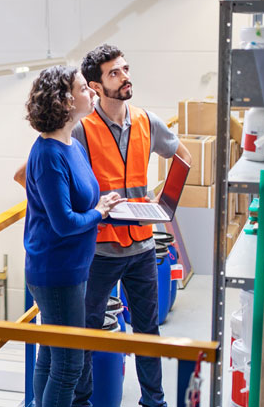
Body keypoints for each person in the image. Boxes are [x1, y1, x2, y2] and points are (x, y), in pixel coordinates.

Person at [14, 45, 191, 407]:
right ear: (95, 85)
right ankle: (83, 403)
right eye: (114, 73)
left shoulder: (144, 120)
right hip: (96, 250)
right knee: (81, 342)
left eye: (126, 69)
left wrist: (164, 202)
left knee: (146, 331)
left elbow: (182, 156)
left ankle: (153, 401)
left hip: (140, 241)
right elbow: (30, 177)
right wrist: (61, 208)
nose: (125, 77)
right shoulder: (77, 132)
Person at [22, 65, 124, 407]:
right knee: (68, 365)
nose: (92, 93)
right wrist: (99, 213)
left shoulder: (71, 145)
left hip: (72, 266)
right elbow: (64, 223)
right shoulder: (49, 154)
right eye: (84, 88)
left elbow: (78, 199)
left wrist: (100, 203)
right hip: (57, 271)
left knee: (52, 355)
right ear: (65, 101)